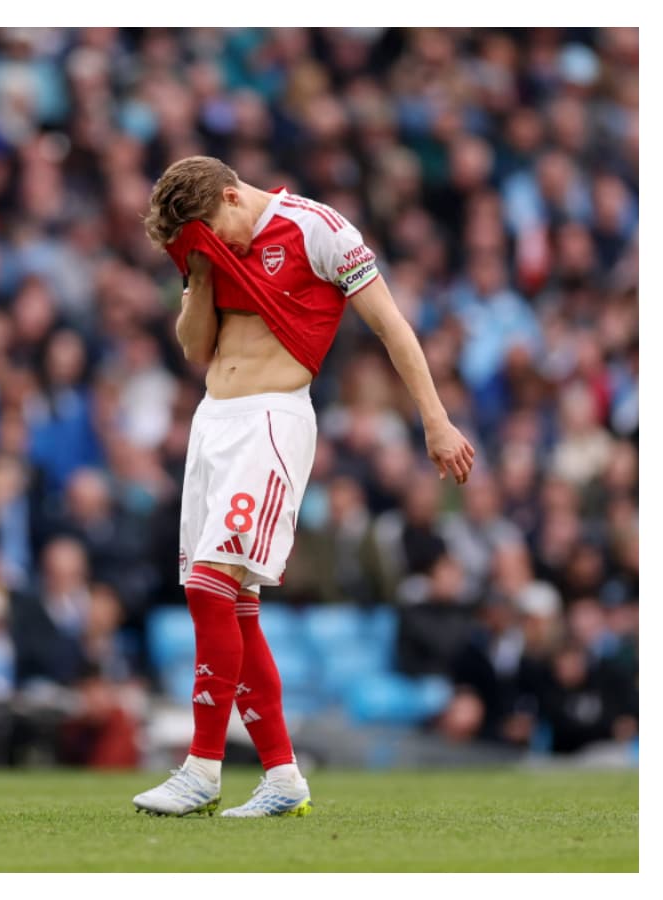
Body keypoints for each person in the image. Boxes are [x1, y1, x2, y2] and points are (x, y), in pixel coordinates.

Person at [130, 156, 474, 817]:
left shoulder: (317, 229)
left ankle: (202, 768)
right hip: (213, 422)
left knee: (209, 586)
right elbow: (196, 347)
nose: (217, 245)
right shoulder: (207, 246)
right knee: (231, 605)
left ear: (232, 195)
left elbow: (391, 325)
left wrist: (435, 421)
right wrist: (200, 271)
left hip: (271, 418)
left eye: (212, 231)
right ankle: (283, 776)